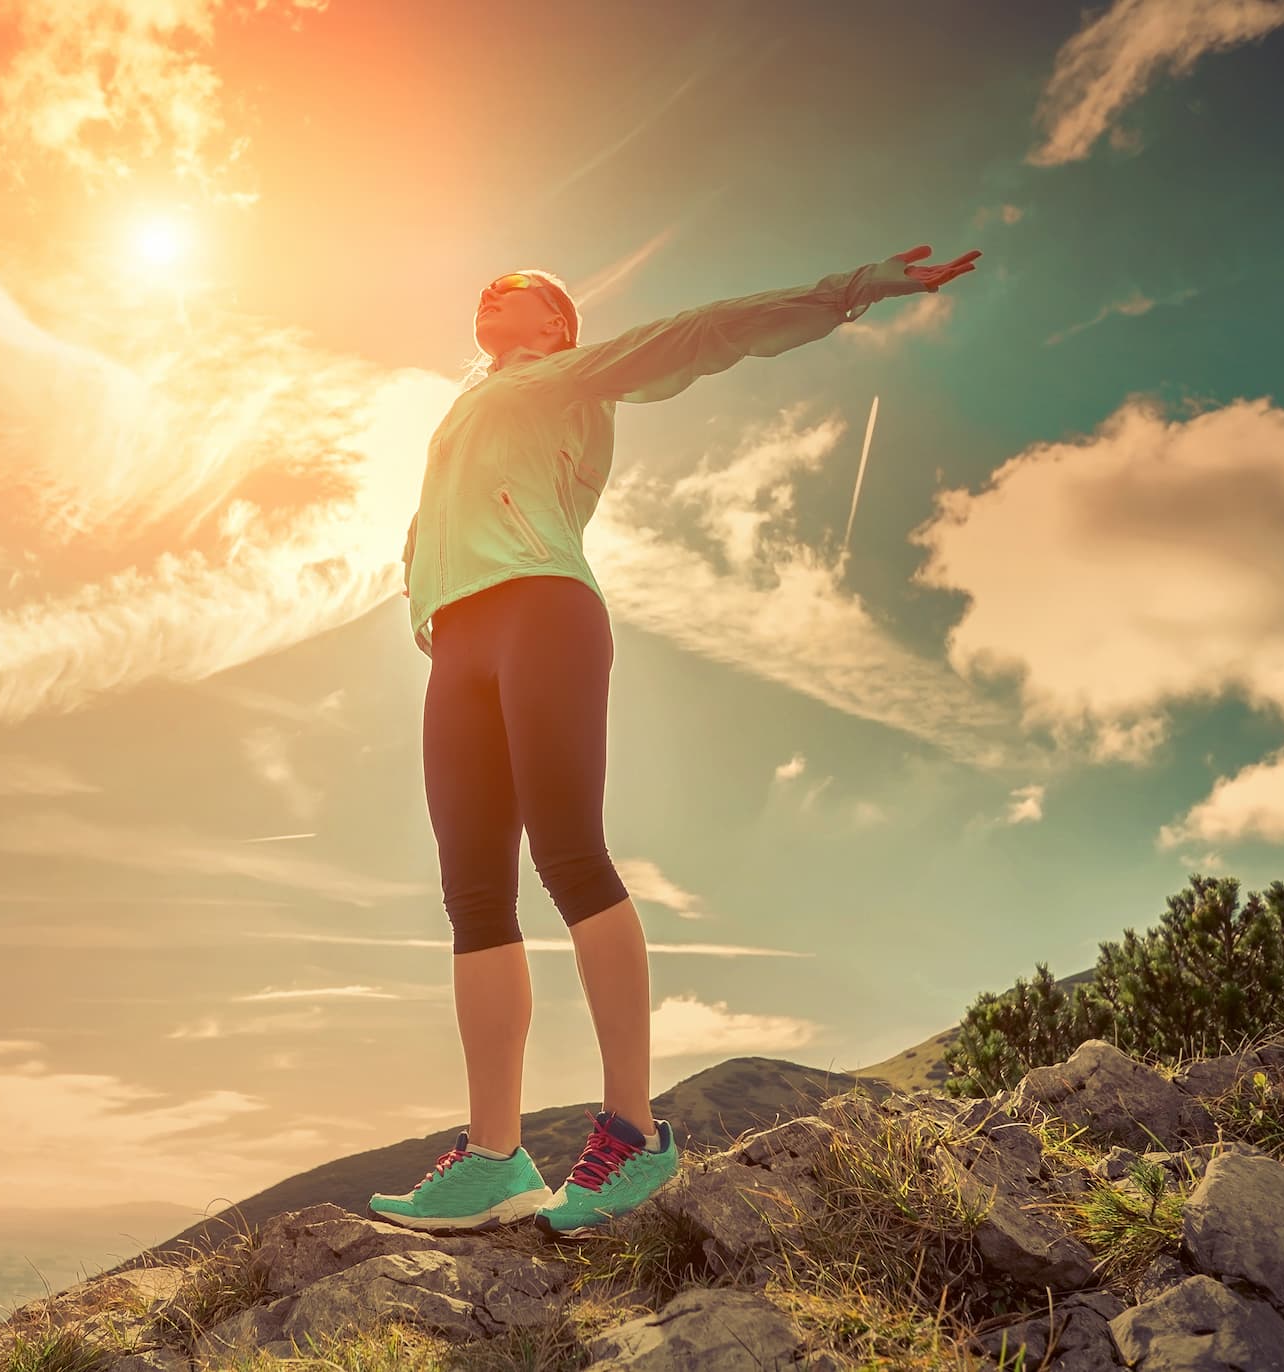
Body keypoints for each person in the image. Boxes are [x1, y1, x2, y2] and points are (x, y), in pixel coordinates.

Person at [368, 244, 982, 1237]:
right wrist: (413, 579)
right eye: (490, 282)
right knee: (472, 892)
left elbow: (694, 340)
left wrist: (840, 288)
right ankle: (493, 1158)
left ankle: (631, 1136)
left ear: (557, 328)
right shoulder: (465, 411)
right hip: (458, 643)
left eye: (521, 287)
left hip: (542, 614)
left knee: (569, 854)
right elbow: (432, 519)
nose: (495, 286)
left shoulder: (559, 379)